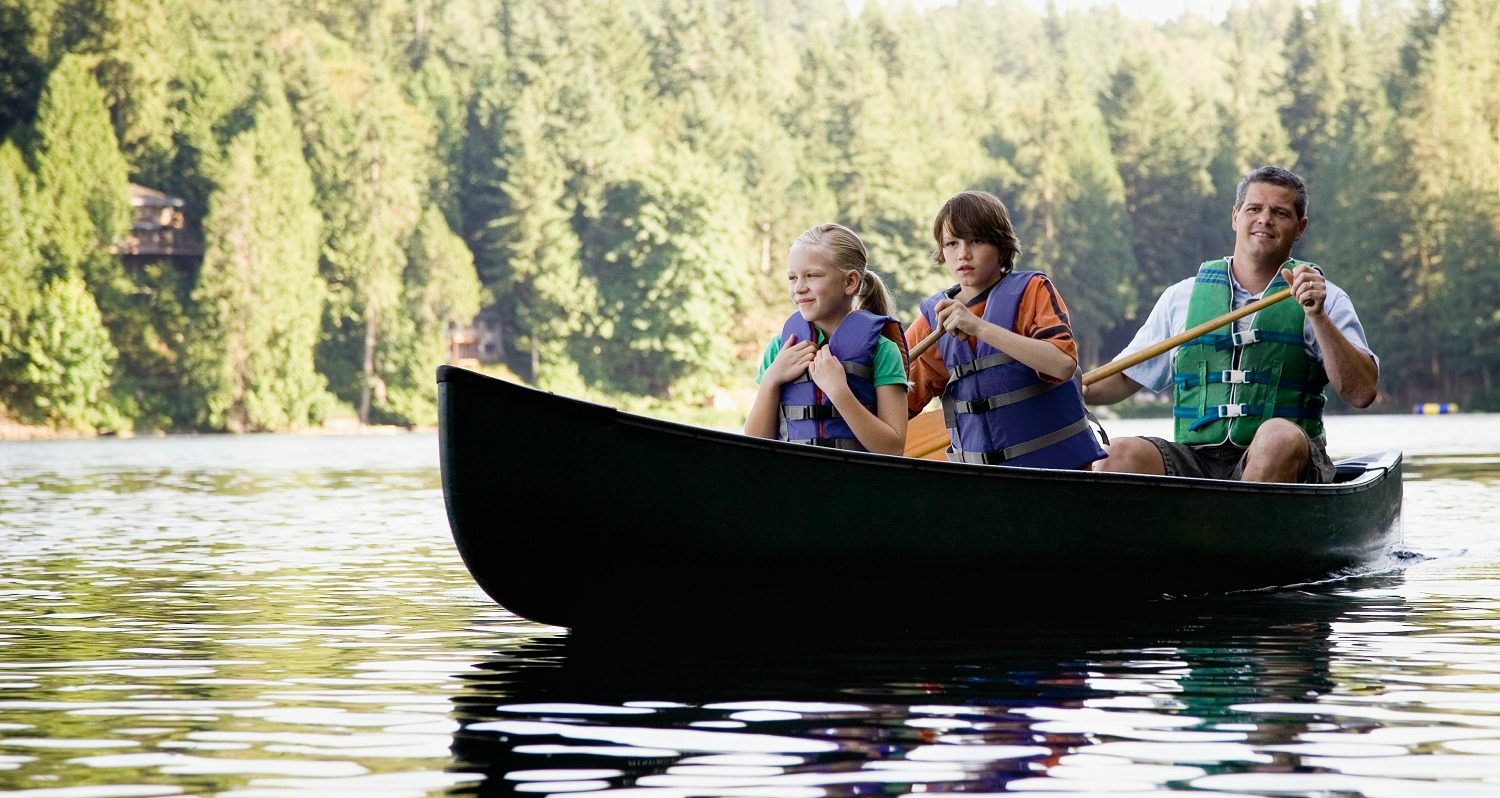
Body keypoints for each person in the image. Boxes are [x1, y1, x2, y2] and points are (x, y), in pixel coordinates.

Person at [1083, 165, 1379, 483]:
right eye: (1254, 209)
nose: (1265, 219)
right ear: (1236, 216)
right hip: (1196, 459)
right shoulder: (1181, 297)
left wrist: (1317, 316)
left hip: (1288, 458)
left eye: (1279, 213)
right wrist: (1066, 387)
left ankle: (1240, 526)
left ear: (1300, 227)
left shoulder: (1325, 298)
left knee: (1276, 437)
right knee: (1115, 455)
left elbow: (1361, 392)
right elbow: (1125, 378)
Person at [906, 190, 1105, 469]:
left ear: (1001, 245)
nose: (962, 254)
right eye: (951, 243)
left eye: (975, 240)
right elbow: (894, 404)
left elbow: (1061, 365)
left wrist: (978, 327)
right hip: (985, 483)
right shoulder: (932, 323)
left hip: (1057, 474)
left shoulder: (1033, 292)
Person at [744, 223, 910, 455]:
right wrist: (771, 379)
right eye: (792, 278)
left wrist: (839, 391)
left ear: (850, 282)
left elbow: (892, 450)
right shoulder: (780, 349)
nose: (799, 288)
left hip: (856, 486)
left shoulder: (883, 351)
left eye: (812, 275)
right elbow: (754, 447)